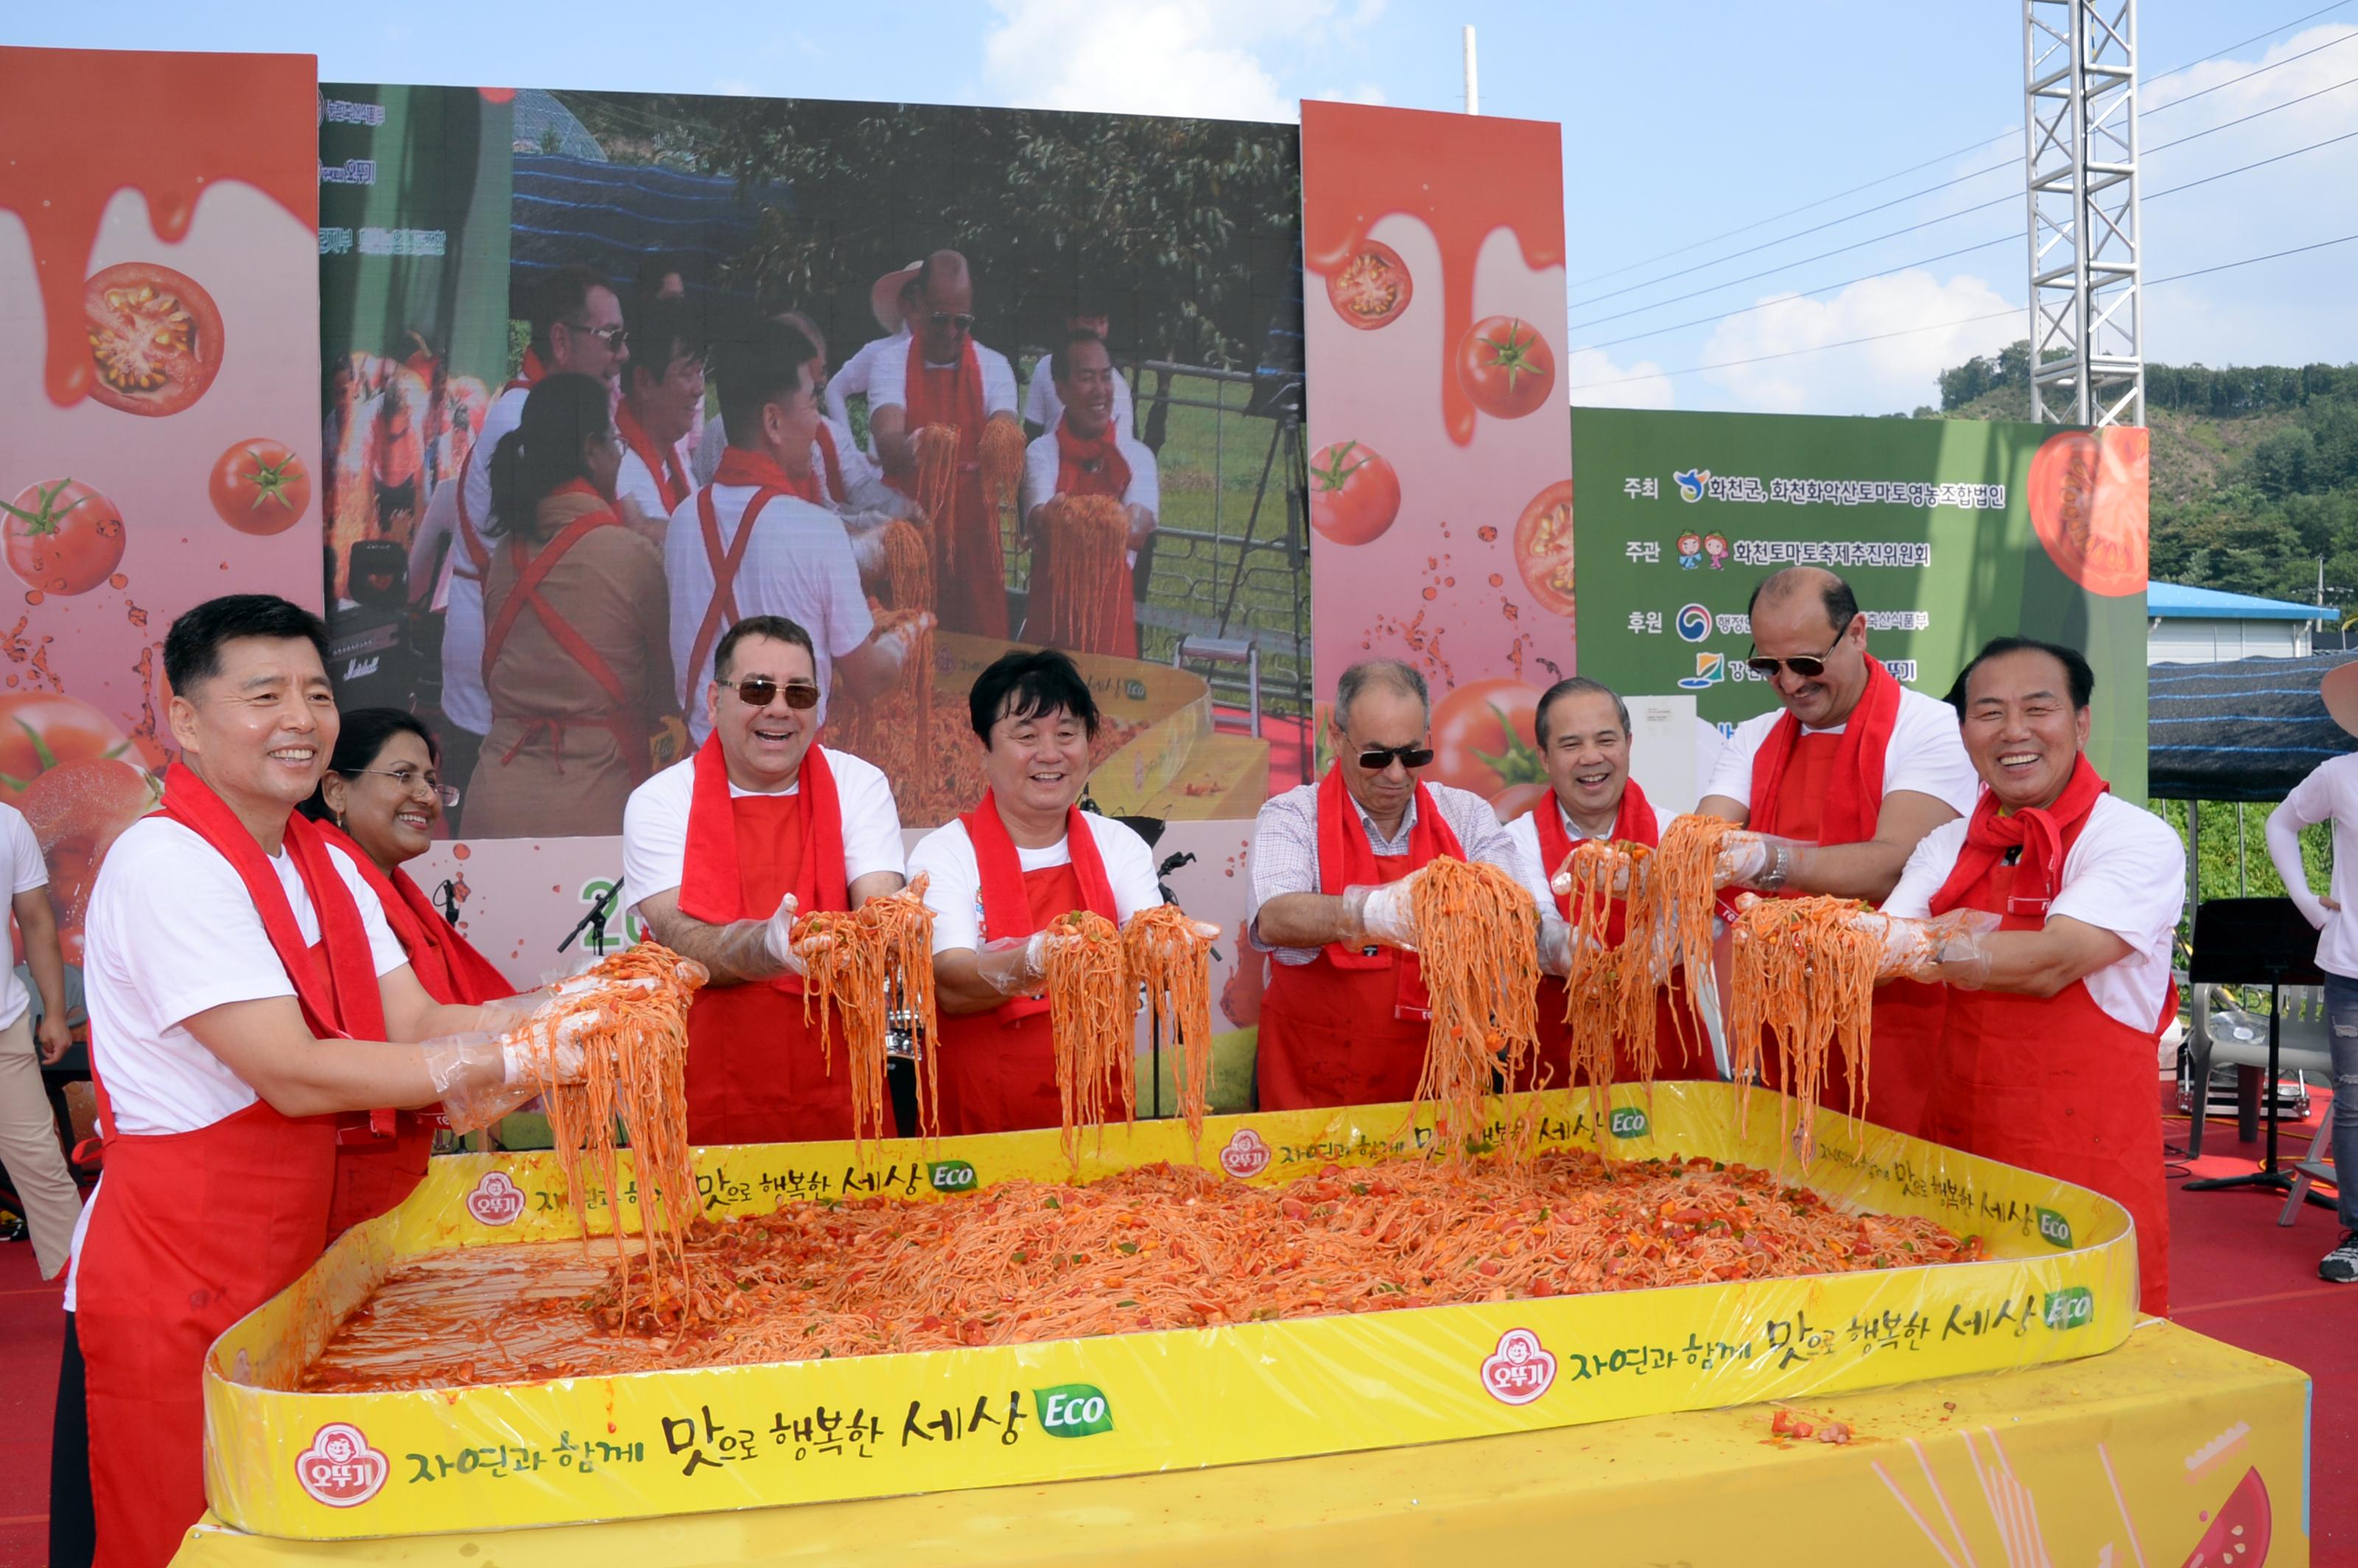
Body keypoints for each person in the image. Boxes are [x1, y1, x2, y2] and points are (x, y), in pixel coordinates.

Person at [58, 594, 623, 1568]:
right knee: (176, 1527)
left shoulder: (321, 858)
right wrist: (518, 1061)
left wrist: (578, 1010)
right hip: (178, 1266)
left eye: (316, 694)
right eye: (264, 695)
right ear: (185, 721)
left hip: (295, 1248)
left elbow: (417, 1024)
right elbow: (292, 1073)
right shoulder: (168, 864)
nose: (301, 719)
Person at [1861, 637, 2184, 1315]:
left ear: (2082, 722)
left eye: (2038, 709)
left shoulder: (2131, 839)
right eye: (1989, 713)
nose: (2014, 732)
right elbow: (1880, 943)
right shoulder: (1947, 845)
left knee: (2087, 1366)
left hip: (2083, 1164)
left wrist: (1911, 949)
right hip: (1962, 1158)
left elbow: (2053, 961)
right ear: (1963, 731)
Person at [1693, 565, 1978, 1134]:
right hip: (1777, 1018)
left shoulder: (1931, 728)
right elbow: (1704, 843)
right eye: (1767, 666)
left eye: (1805, 663)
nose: (1790, 683)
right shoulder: (1752, 737)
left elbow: (1895, 860)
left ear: (1857, 634)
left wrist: (1768, 860)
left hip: (1892, 1022)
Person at [623, 616, 907, 1144]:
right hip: (703, 1088)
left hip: (839, 1084)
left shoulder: (859, 785)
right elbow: (679, 938)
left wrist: (885, 933)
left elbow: (878, 914)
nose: (779, 708)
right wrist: (771, 946)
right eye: (757, 689)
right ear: (714, 701)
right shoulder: (661, 801)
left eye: (799, 694)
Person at [1248, 659, 1557, 1111]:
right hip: (1319, 1082)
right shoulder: (1293, 816)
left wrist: (1549, 938)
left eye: (1412, 756)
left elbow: (1516, 913)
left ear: (1429, 739)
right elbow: (1274, 916)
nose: (1395, 775)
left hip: (1445, 1079)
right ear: (1336, 738)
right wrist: (1373, 914)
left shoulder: (1467, 816)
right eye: (1376, 757)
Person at [907, 649, 1170, 1135]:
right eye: (1026, 736)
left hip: (1099, 1116)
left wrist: (1170, 951)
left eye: (1067, 734)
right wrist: (1036, 958)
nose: (1050, 755)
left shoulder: (1119, 846)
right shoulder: (944, 853)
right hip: (979, 1123)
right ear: (982, 750)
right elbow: (952, 984)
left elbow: (1150, 942)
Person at [408, 266, 629, 819]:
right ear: (560, 339)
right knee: (489, 812)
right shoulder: (522, 417)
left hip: (504, 639)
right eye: (613, 339)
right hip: (497, 644)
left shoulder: (528, 411)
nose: (622, 355)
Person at [299, 708, 516, 1236]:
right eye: (403, 776)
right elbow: (415, 1029)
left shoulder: (383, 887)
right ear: (336, 791)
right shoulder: (327, 876)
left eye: (433, 781)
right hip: (330, 1171)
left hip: (381, 1171)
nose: (425, 795)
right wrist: (554, 1028)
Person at [669, 318, 923, 747]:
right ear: (773, 421)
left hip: (704, 777)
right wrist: (906, 638)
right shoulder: (817, 533)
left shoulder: (683, 521)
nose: (817, 424)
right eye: (811, 404)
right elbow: (864, 680)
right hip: (788, 783)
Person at [468, 374, 677, 837]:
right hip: (595, 809)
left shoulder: (507, 555)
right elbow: (666, 694)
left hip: (493, 803)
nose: (620, 453)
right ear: (590, 450)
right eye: (615, 440)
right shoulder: (632, 556)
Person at [1505, 676, 1715, 1088]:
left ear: (1629, 745)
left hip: (1670, 1058)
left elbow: (1713, 919)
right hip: (1556, 1067)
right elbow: (1535, 919)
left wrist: (1671, 937)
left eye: (1606, 740)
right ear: (1544, 758)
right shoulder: (1513, 841)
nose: (1591, 758)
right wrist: (1558, 944)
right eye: (1571, 745)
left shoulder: (1677, 833)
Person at [867, 250, 1022, 637]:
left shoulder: (994, 366)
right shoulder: (889, 363)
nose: (952, 332)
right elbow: (888, 440)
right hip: (911, 538)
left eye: (962, 322)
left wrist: (1002, 444)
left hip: (974, 547)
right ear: (918, 306)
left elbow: (1004, 426)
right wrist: (913, 449)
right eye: (940, 321)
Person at [2263, 659, 2358, 1284]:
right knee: (2352, 1104)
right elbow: (2281, 823)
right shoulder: (2339, 775)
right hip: (2352, 964)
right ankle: (2356, 1233)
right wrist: (2305, 903)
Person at [1018, 329, 1159, 657]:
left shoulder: (1139, 457)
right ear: (1061, 389)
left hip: (1111, 638)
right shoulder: (1041, 453)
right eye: (1086, 379)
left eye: (1105, 378)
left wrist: (1068, 516)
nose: (1100, 391)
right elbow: (1041, 521)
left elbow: (1136, 531)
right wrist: (1108, 518)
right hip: (1049, 632)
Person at [0, 796, 80, 1280]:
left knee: (42, 1166)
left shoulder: (8, 823)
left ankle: (87, 1297)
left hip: (4, 1023)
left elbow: (36, 921)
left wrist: (53, 1011)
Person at [612, 293, 706, 539]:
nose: (700, 389)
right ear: (643, 381)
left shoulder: (676, 459)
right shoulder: (618, 466)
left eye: (700, 372)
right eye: (687, 374)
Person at [824, 262, 920, 443]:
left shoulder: (953, 356)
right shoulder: (880, 352)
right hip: (882, 467)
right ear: (904, 304)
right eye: (919, 299)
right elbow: (834, 389)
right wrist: (848, 448)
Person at [1021, 296, 1134, 438]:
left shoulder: (1119, 387)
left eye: (1102, 322)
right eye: (1089, 322)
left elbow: (1121, 449)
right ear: (1071, 324)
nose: (1097, 330)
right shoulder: (1045, 368)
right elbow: (1032, 430)